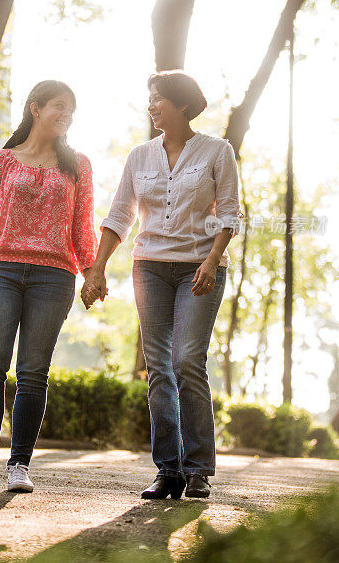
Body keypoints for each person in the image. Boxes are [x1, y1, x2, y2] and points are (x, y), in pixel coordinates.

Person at [82, 70, 241, 500]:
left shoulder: (216, 151)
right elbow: (119, 216)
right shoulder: (140, 156)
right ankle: (167, 470)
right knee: (159, 368)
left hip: (198, 269)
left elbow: (229, 214)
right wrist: (97, 269)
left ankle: (198, 470)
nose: (152, 106)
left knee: (187, 359)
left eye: (159, 99)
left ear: (183, 105)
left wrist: (211, 260)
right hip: (149, 268)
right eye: (150, 100)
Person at [0, 80, 97, 491]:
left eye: (71, 110)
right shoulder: (3, 161)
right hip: (1, 269)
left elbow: (81, 226)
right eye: (59, 106)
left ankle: (19, 465)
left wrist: (93, 273)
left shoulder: (79, 165)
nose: (66, 115)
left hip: (54, 276)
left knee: (33, 371)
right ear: (35, 108)